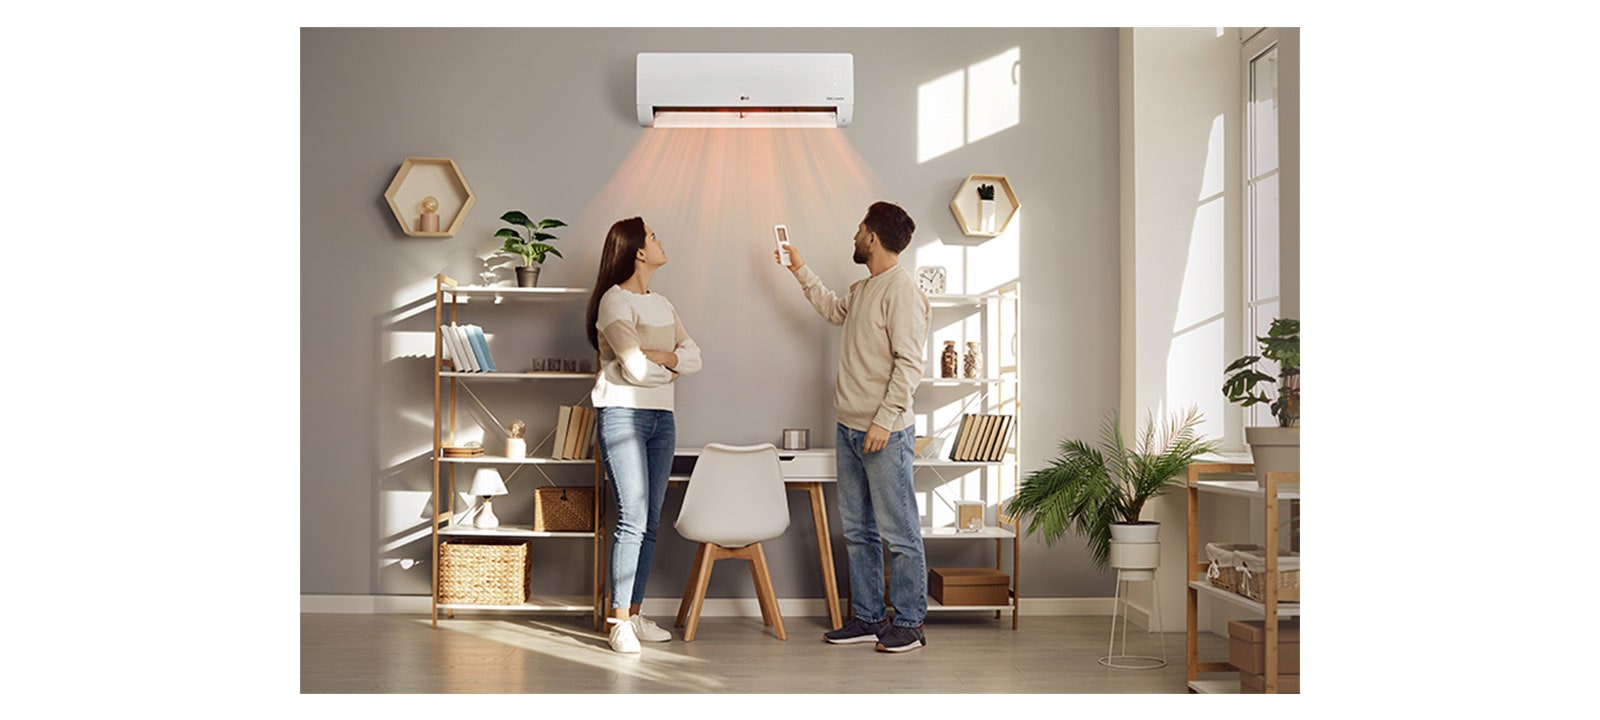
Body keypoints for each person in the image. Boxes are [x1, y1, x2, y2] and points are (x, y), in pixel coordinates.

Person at [774, 201, 931, 653]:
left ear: (873, 238)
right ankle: (866, 616)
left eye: (860, 229)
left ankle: (910, 623)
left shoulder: (901, 291)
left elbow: (909, 364)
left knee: (899, 532)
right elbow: (831, 308)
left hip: (884, 432)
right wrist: (798, 268)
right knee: (859, 530)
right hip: (848, 427)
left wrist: (884, 421)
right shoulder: (865, 289)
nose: (855, 236)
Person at [586, 217, 702, 654]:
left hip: (661, 420)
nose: (659, 240)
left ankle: (633, 613)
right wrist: (669, 368)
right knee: (632, 519)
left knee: (650, 521)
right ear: (637, 250)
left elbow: (696, 359)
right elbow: (632, 369)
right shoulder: (613, 303)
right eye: (653, 236)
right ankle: (617, 621)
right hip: (622, 416)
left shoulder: (664, 304)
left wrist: (663, 359)